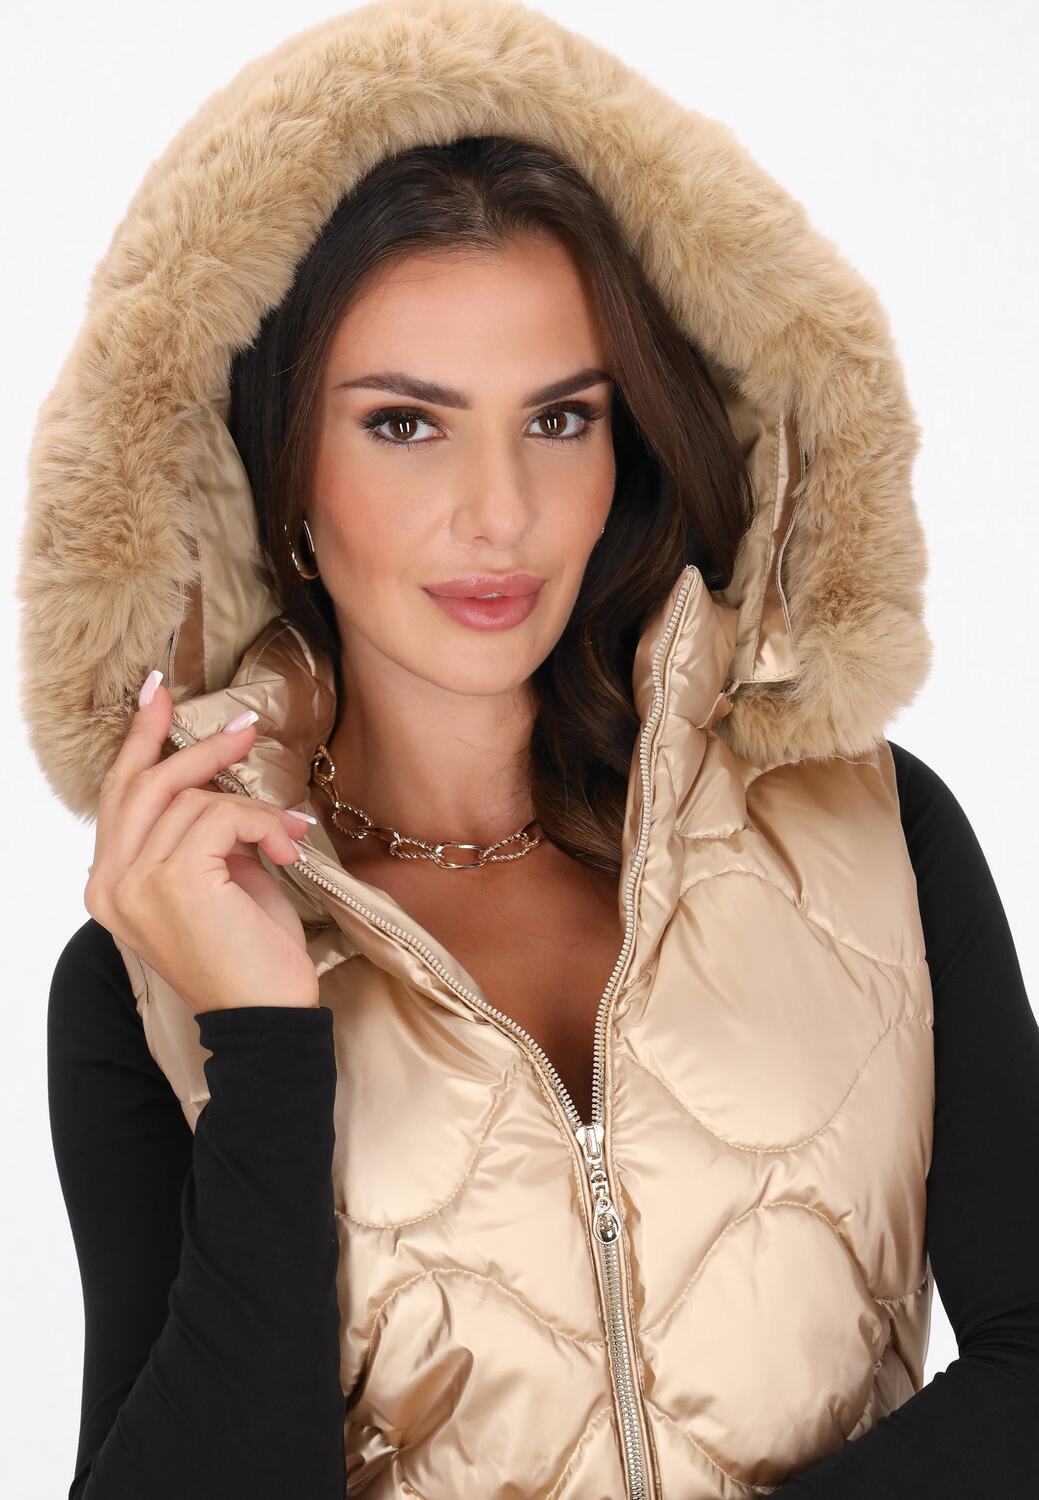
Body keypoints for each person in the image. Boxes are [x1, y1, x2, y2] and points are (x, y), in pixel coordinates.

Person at [19, 2, 1037, 1496]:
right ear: (283, 473)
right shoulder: (154, 981)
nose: (500, 513)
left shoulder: (867, 834)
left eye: (560, 419)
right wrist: (265, 1048)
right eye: (406, 425)